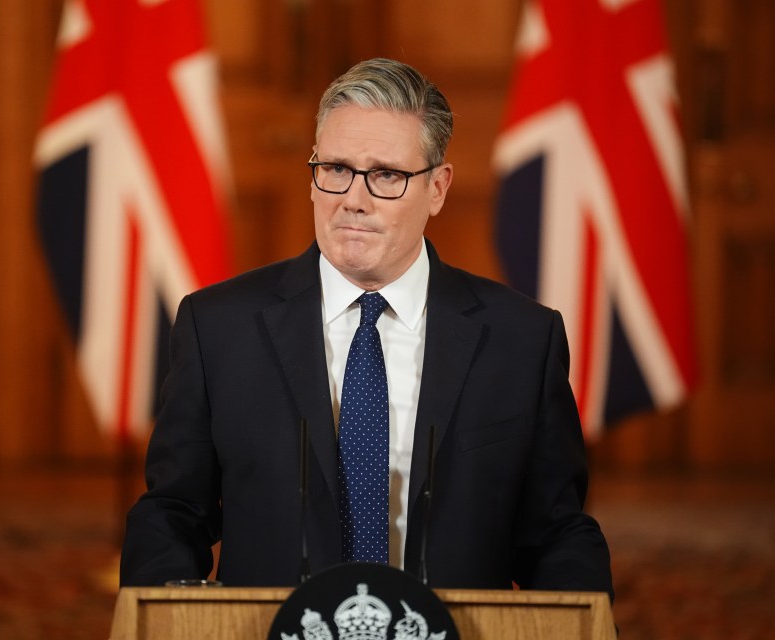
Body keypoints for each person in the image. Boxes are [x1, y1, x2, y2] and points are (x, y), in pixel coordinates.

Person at [120, 58, 613, 598]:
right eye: (335, 169)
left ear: (438, 188)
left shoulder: (521, 340)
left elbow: (555, 533)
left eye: (386, 176)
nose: (353, 199)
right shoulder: (218, 329)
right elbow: (172, 513)